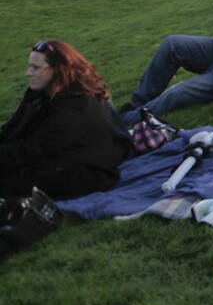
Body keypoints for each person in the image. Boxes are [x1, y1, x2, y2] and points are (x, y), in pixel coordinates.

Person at [1, 40, 130, 201]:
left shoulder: (76, 105)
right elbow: (14, 127)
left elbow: (35, 148)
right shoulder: (41, 91)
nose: (28, 73)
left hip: (84, 171)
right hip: (55, 158)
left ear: (57, 70)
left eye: (36, 68)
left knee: (8, 182)